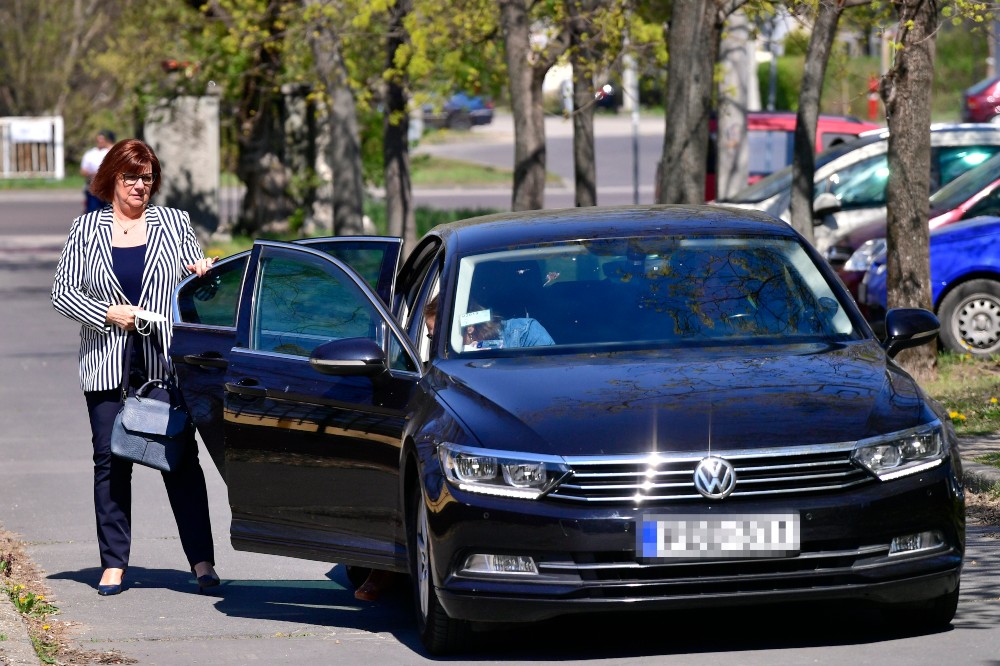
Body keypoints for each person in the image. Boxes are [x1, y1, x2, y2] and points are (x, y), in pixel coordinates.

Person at [52, 139, 220, 596]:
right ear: (112, 178)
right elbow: (62, 293)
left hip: (162, 360)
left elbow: (191, 280)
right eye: (131, 177)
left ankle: (202, 562)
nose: (140, 186)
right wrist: (108, 313)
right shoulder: (85, 229)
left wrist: (202, 273)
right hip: (107, 361)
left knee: (178, 458)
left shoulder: (174, 222)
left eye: (147, 178)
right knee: (110, 461)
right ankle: (113, 564)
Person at [80, 130, 115, 214]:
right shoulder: (90, 154)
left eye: (103, 139)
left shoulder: (109, 152)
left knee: (108, 211)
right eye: (99, 139)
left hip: (107, 187)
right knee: (92, 210)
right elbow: (83, 171)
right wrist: (91, 174)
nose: (100, 141)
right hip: (93, 186)